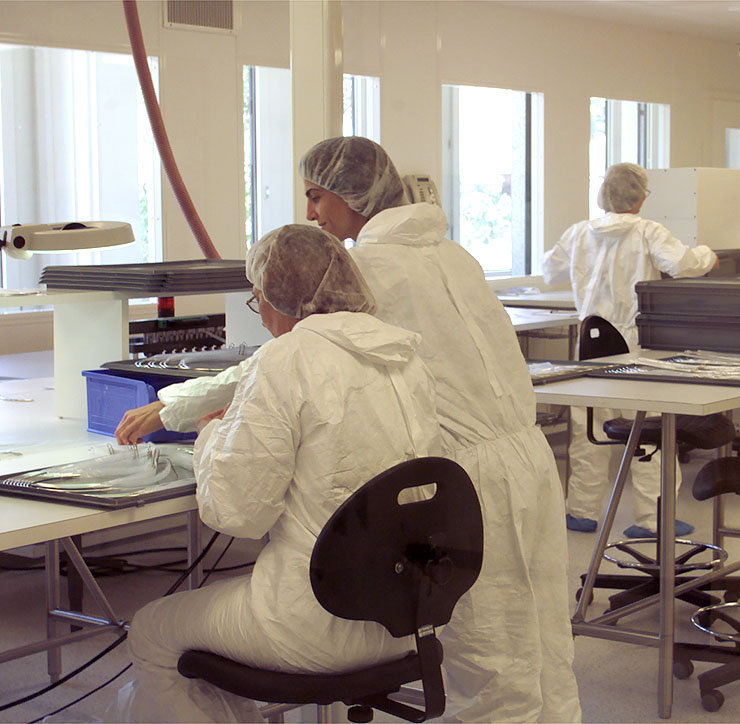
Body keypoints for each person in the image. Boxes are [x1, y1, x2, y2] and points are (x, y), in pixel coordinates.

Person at [117, 137, 581, 723]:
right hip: (528, 457)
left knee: (488, 662)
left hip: (470, 477)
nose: (312, 214)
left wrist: (176, 405)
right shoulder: (452, 254)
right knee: (541, 638)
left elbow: (287, 356)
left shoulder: (369, 266)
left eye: (316, 196)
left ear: (351, 193)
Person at [106, 224, 442, 722]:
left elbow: (236, 513)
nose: (259, 313)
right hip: (407, 618)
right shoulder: (405, 355)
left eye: (257, 297)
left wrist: (211, 437)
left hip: (310, 623)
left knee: (153, 628)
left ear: (284, 298)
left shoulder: (287, 359)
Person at [543, 162, 719, 538]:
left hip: (589, 344)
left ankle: (581, 511)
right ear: (639, 199)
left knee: (588, 428)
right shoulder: (648, 231)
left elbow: (549, 270)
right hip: (636, 345)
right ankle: (654, 518)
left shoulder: (578, 232)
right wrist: (709, 255)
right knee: (648, 428)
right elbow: (682, 263)